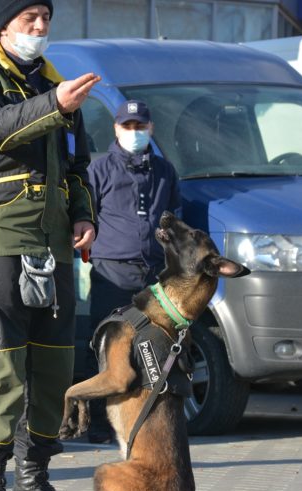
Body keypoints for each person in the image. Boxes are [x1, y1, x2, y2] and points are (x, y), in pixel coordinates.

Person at [0, 1, 100, 491]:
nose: (39, 28)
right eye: (29, 18)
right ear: (4, 24)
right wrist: (55, 103)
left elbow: (77, 164)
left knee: (54, 368)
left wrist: (83, 214)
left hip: (51, 242)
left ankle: (35, 486)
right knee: (1, 367)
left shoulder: (52, 85)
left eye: (45, 19)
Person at [84, 99, 181, 443]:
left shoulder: (164, 170)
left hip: (153, 273)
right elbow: (85, 215)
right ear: (116, 129)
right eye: (128, 126)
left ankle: (146, 417)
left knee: (151, 347)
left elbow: (173, 213)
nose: (134, 133)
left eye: (140, 126)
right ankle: (98, 422)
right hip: (112, 270)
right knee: (108, 346)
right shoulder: (99, 170)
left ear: (150, 129)